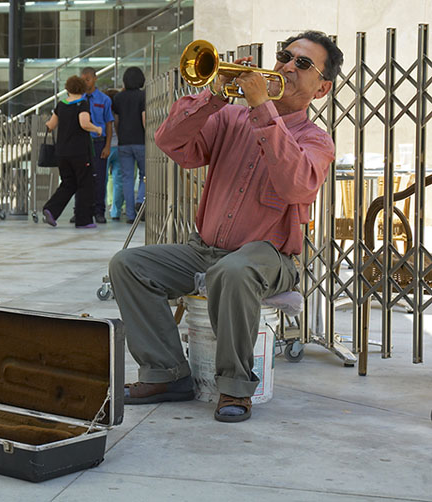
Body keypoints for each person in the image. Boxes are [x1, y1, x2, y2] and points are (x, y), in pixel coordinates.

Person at [109, 32, 343, 422]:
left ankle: (235, 386)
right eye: (285, 56)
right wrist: (214, 95)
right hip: (205, 249)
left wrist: (262, 109)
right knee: (128, 265)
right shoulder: (230, 118)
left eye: (303, 64)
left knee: (232, 271)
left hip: (270, 256)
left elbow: (294, 184)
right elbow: (170, 142)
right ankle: (168, 373)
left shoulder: (316, 140)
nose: (287, 65)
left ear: (322, 88)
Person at [42, 75, 103, 229]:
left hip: (62, 153)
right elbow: (84, 123)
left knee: (68, 183)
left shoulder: (61, 105)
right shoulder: (83, 103)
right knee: (85, 184)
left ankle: (51, 209)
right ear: (82, 89)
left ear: (67, 88)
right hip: (80, 152)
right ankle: (84, 220)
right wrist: (97, 129)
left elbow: (51, 125)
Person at [112, 67, 146, 224]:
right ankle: (140, 201)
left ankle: (130, 215)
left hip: (124, 142)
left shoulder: (118, 98)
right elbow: (144, 118)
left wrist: (120, 136)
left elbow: (116, 121)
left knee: (127, 178)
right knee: (146, 175)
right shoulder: (143, 95)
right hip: (141, 141)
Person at [80, 67, 114, 224]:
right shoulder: (78, 98)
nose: (85, 82)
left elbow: (108, 124)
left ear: (95, 79)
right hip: (82, 143)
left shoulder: (104, 100)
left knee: (100, 178)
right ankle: (80, 211)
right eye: (83, 79)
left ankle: (99, 211)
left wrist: (108, 146)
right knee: (81, 178)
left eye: (88, 79)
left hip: (99, 143)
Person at [104, 88, 125, 221]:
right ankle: (116, 212)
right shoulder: (120, 113)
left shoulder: (104, 112)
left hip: (104, 148)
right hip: (119, 148)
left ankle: (99, 209)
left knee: (103, 179)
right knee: (119, 181)